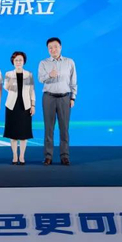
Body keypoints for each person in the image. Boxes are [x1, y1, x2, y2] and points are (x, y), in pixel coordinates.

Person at [38, 37, 77, 166]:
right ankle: (48, 156)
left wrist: (73, 97)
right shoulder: (43, 63)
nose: (53, 49)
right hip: (48, 97)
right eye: (50, 48)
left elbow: (73, 81)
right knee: (48, 128)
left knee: (64, 128)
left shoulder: (69, 62)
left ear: (60, 47)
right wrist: (50, 75)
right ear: (47, 50)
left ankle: (64, 156)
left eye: (55, 47)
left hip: (64, 97)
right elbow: (40, 79)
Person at [3, 51, 35, 165]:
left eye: (20, 60)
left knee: (23, 133)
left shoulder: (29, 74)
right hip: (12, 106)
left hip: (25, 106)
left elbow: (32, 91)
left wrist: (33, 105)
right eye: (16, 60)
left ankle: (22, 156)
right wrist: (11, 81)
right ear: (13, 62)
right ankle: (14, 155)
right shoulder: (8, 74)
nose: (18, 62)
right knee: (13, 133)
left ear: (24, 61)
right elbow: (6, 88)